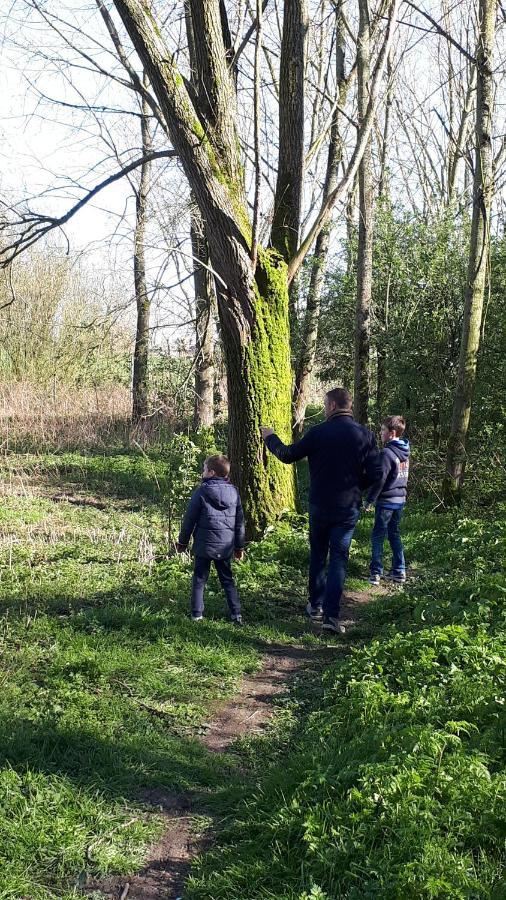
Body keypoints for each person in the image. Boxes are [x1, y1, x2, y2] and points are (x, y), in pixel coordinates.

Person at [261, 388, 382, 634]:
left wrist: (270, 438)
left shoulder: (318, 433)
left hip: (319, 505)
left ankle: (315, 605)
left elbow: (287, 455)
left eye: (326, 405)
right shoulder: (366, 436)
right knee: (339, 558)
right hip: (348, 507)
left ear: (334, 406)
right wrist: (358, 488)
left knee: (318, 553)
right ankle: (331, 617)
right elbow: (378, 474)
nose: (324, 409)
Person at [177, 454, 245, 624]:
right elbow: (239, 523)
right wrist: (239, 547)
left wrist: (182, 543)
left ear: (212, 473)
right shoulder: (234, 492)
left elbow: (189, 520)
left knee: (199, 580)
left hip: (204, 545)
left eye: (204, 469)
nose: (203, 472)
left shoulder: (201, 492)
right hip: (226, 546)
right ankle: (236, 614)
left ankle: (197, 614)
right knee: (227, 580)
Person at [364, 415, 410, 585]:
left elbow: (380, 480)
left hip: (387, 501)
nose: (380, 433)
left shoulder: (387, 453)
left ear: (391, 433)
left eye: (382, 430)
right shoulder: (405, 449)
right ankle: (399, 571)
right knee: (394, 534)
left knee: (378, 535)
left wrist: (369, 500)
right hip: (400, 500)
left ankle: (376, 573)